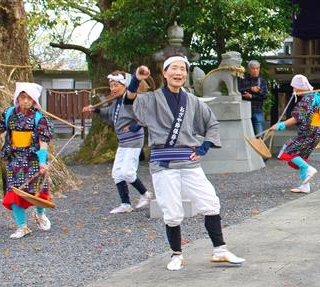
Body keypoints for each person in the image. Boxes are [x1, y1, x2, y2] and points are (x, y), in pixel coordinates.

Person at [124, 55, 245, 271]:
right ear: (165, 73)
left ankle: (220, 250)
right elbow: (129, 100)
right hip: (163, 163)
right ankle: (176, 254)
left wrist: (204, 147)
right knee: (172, 212)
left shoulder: (193, 101)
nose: (178, 73)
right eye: (174, 69)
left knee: (210, 202)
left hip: (189, 162)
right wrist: (136, 79)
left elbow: (211, 123)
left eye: (182, 69)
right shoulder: (152, 99)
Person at [0, 82, 53, 239]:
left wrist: (42, 162)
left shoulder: (40, 118)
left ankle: (40, 214)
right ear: (17, 98)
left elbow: (43, 143)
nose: (25, 101)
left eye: (29, 98)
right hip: (14, 159)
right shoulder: (9, 114)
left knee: (39, 191)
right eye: (22, 97)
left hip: (33, 159)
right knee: (14, 192)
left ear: (34, 101)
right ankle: (22, 227)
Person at [82, 71, 153, 214]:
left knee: (127, 172)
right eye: (111, 86)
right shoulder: (117, 102)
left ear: (124, 85)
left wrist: (135, 126)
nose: (113, 89)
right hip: (123, 141)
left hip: (133, 140)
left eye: (116, 85)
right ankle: (126, 204)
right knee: (117, 173)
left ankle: (146, 194)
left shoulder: (130, 98)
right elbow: (108, 113)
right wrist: (95, 110)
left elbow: (145, 115)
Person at [270, 74, 320, 194]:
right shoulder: (314, 98)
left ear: (300, 87)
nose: (294, 90)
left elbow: (296, 118)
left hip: (308, 133)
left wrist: (281, 125)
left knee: (288, 152)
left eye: (295, 87)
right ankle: (305, 186)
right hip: (315, 132)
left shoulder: (307, 100)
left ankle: (309, 169)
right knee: (301, 157)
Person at [238, 60, 268, 135]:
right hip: (244, 110)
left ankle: (259, 146)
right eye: (253, 68)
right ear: (249, 69)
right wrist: (251, 89)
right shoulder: (243, 79)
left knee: (259, 135)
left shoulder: (262, 81)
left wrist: (252, 95)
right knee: (246, 135)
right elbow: (238, 91)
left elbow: (265, 95)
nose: (255, 70)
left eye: (257, 68)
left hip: (257, 110)